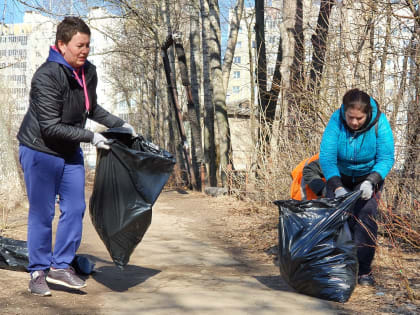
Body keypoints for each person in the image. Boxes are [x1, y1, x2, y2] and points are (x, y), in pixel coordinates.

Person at [17, 17, 136, 296]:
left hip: (69, 150)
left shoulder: (87, 72)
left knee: (75, 208)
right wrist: (92, 136)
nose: (85, 50)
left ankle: (60, 266)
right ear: (62, 45)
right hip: (40, 150)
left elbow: (90, 108)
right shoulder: (47, 75)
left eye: (88, 45)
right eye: (79, 45)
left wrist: (120, 124)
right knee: (42, 213)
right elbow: (50, 126)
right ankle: (37, 272)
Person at [319, 88, 394, 286]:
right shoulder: (336, 121)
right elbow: (326, 158)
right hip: (340, 176)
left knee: (364, 218)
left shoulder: (380, 123)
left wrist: (372, 180)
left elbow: (386, 158)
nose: (354, 122)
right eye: (350, 117)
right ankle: (335, 267)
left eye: (359, 118)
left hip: (368, 177)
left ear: (367, 114)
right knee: (334, 219)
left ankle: (364, 271)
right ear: (344, 112)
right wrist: (336, 186)